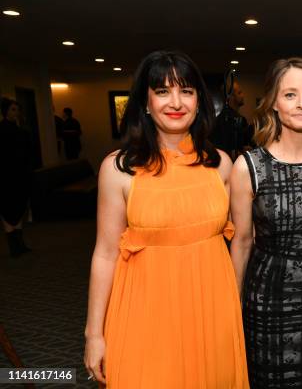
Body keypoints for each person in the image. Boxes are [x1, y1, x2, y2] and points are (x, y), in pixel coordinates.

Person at [83, 50, 248, 388]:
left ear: (199, 100)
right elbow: (105, 253)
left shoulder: (221, 164)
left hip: (210, 314)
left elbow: (243, 240)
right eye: (162, 91)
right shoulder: (118, 169)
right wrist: (93, 333)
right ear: (145, 102)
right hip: (144, 316)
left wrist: (231, 305)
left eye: (186, 91)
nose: (176, 102)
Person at [230, 57, 302, 388]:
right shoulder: (248, 166)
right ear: (274, 104)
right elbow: (243, 241)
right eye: (290, 94)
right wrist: (232, 304)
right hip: (267, 297)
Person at [0, 98, 32, 257]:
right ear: (5, 111)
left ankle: (20, 244)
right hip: (6, 177)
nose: (16, 113)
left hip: (20, 176)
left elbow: (26, 154)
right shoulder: (1, 130)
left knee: (19, 207)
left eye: (17, 110)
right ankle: (13, 246)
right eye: (13, 109)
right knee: (7, 207)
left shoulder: (21, 131)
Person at [210, 80, 254, 160]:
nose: (243, 95)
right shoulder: (232, 120)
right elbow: (230, 151)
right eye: (239, 93)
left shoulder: (220, 118)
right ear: (230, 97)